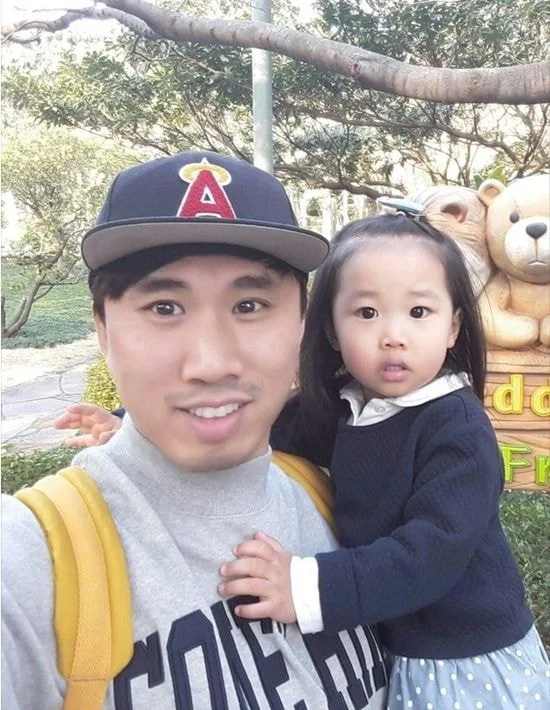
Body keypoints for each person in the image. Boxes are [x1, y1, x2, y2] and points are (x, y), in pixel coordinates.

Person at [1, 151, 388, 710]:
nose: (211, 363)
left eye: (249, 304)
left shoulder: (328, 496)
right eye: (164, 307)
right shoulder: (33, 561)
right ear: (103, 331)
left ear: (301, 326)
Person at [215, 212, 550, 709]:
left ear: (453, 326)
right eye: (367, 312)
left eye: (419, 312)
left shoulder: (458, 429)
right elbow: (259, 424)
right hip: (398, 642)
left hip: (463, 660)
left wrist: (302, 587)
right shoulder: (350, 406)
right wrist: (140, 425)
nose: (394, 335)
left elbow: (429, 555)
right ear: (332, 330)